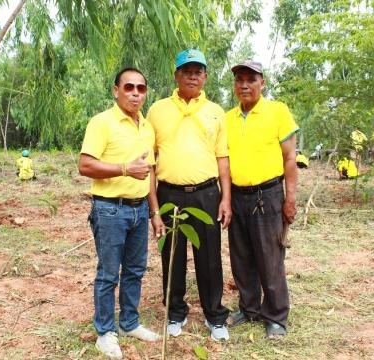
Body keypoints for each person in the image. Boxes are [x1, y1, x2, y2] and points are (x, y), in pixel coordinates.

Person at [147, 49, 231, 341]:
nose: (192, 76)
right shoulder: (157, 110)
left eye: (198, 71)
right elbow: (149, 161)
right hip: (168, 192)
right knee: (172, 256)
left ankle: (215, 316)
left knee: (209, 256)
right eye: (187, 71)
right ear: (176, 75)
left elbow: (222, 158)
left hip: (207, 194)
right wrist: (154, 209)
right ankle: (175, 312)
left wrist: (226, 198)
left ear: (205, 76)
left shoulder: (216, 112)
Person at [78, 67, 160, 359]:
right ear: (116, 90)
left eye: (140, 88)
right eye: (129, 87)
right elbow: (85, 165)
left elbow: (149, 171)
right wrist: (124, 169)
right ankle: (105, 332)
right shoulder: (102, 123)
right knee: (109, 273)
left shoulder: (147, 126)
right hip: (110, 209)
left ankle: (128, 323)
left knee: (136, 270)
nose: (135, 93)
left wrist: (154, 212)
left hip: (139, 211)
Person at [226, 60, 299, 339]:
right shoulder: (228, 118)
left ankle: (276, 316)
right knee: (241, 256)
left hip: (267, 196)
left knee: (270, 257)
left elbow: (290, 157)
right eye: (239, 80)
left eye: (251, 79)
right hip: (237, 196)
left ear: (262, 82)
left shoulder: (277, 111)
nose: (244, 85)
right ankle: (249, 308)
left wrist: (289, 199)